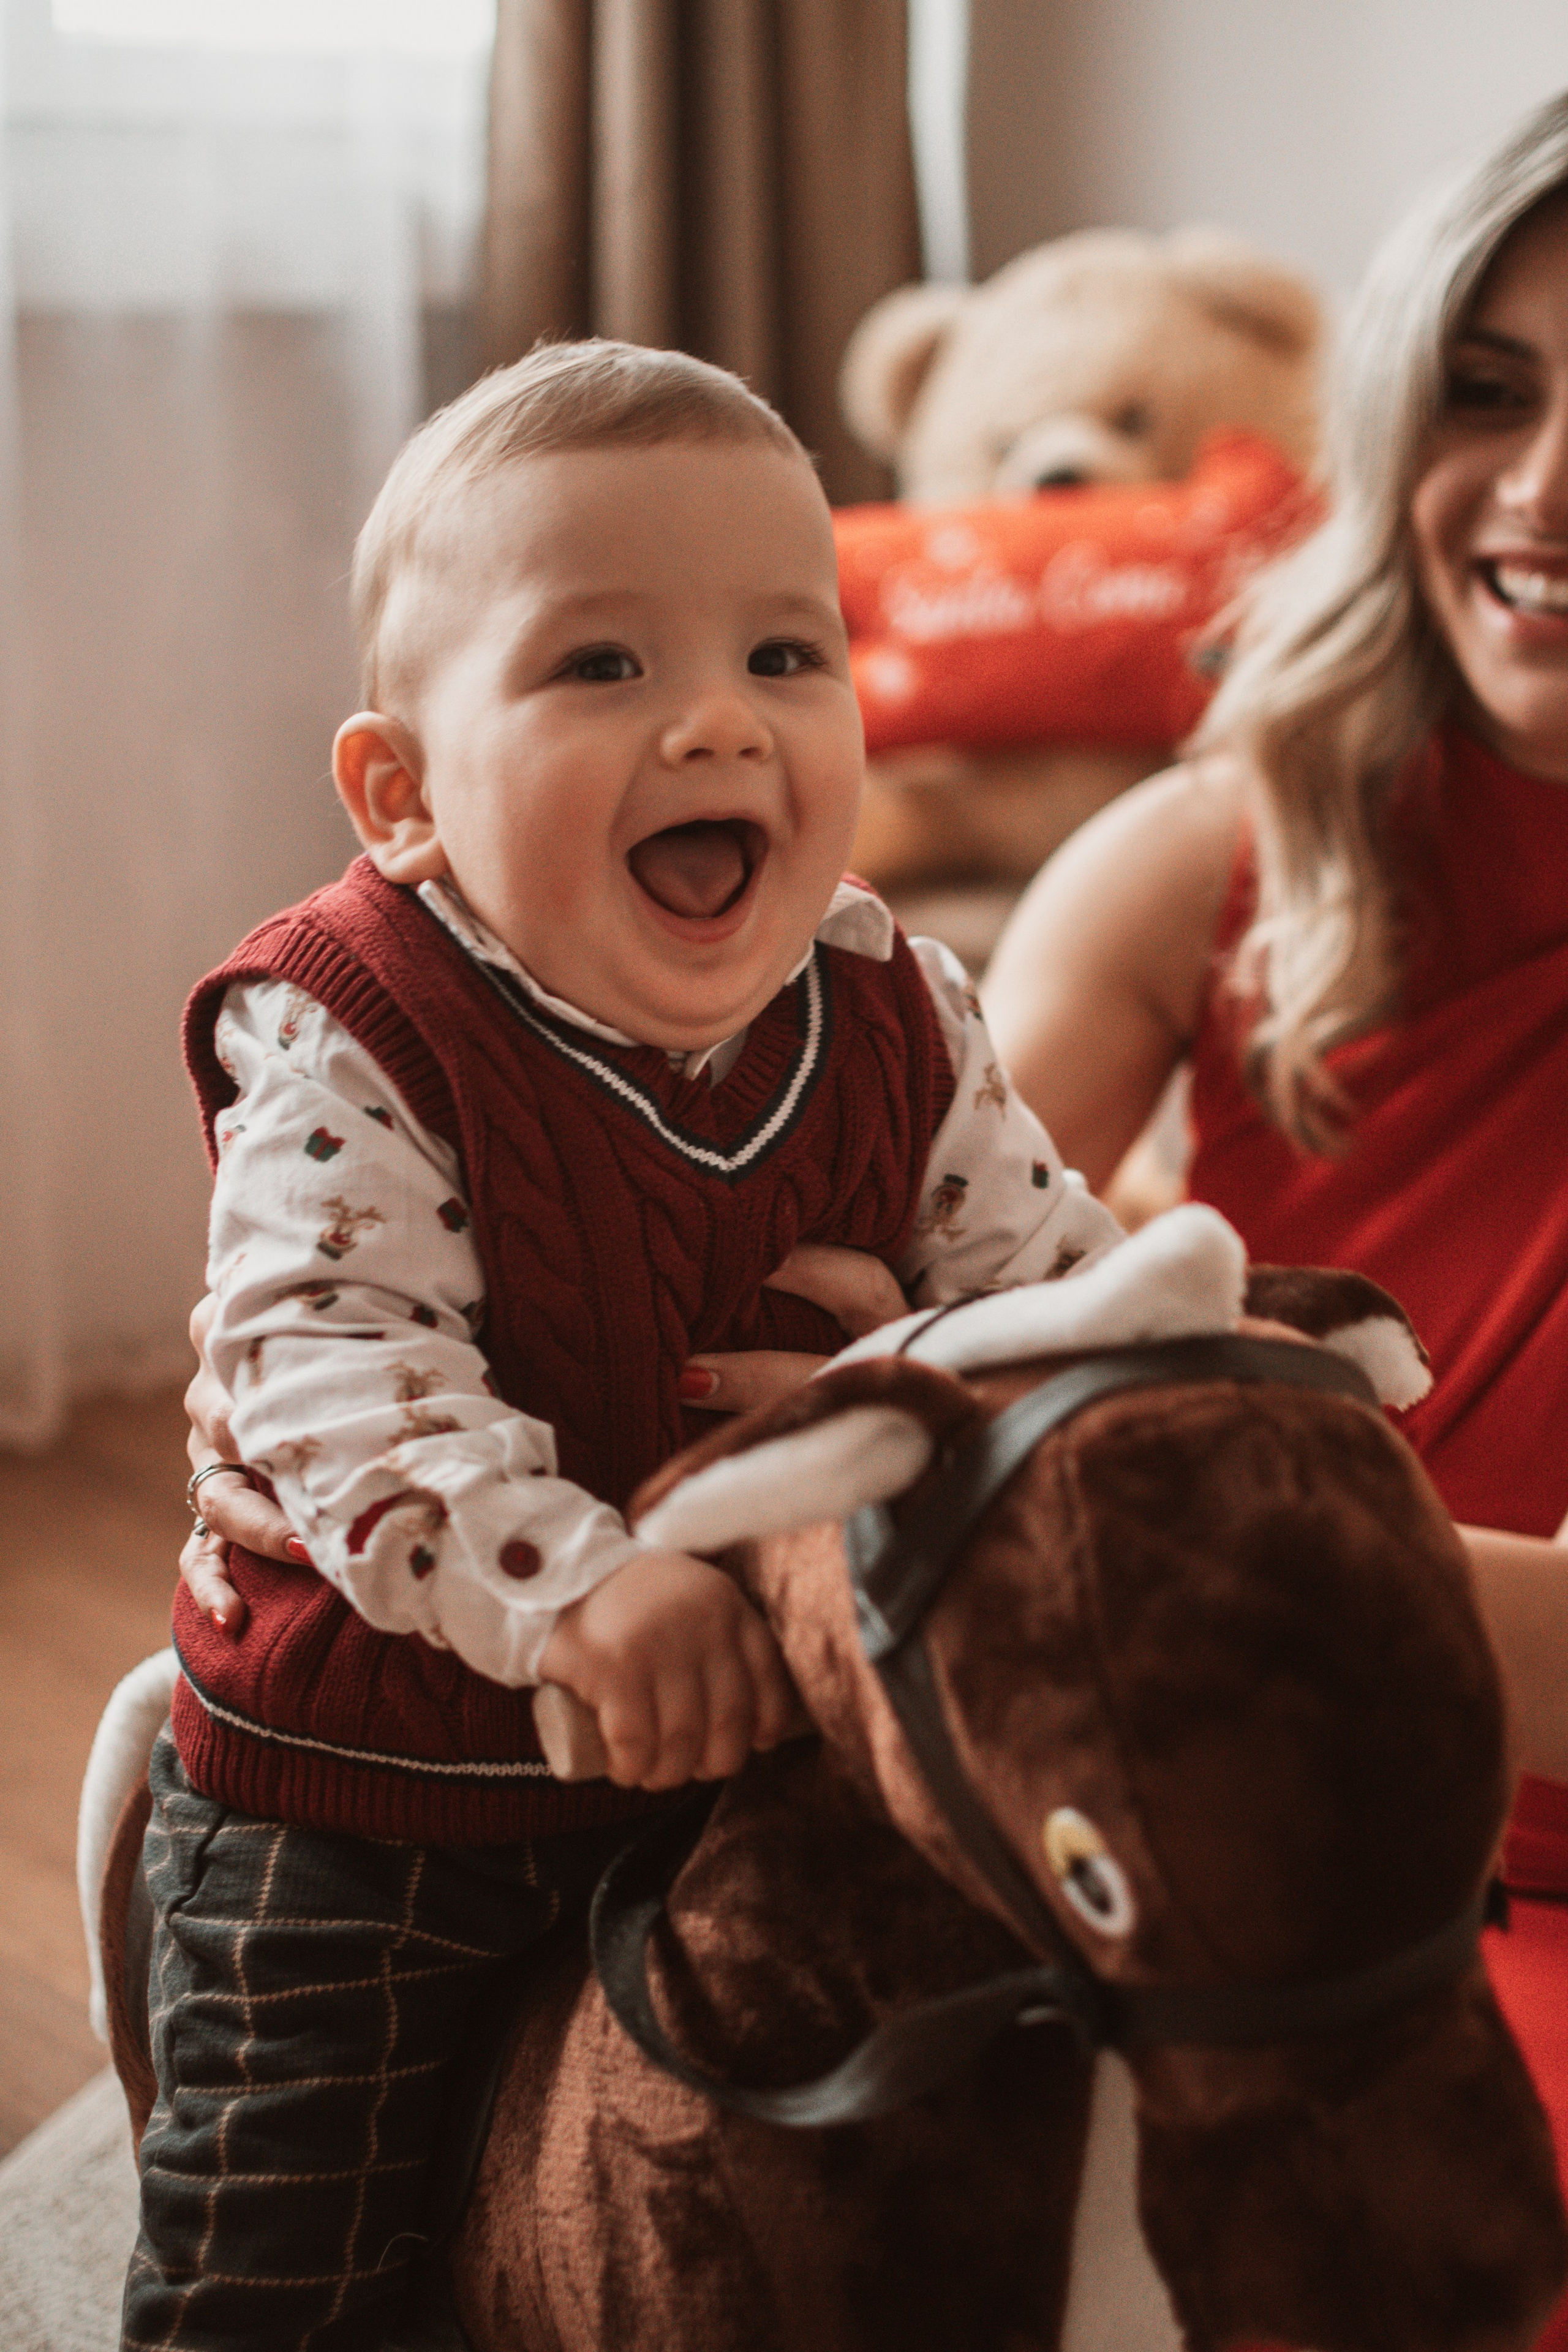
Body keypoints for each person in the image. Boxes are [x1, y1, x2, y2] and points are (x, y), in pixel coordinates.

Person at [132, 338, 1126, 2351]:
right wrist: (576, 1586)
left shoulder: (901, 1009)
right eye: (601, 668)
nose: (714, 726)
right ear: (403, 795)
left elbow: (1063, 1296)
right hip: (370, 1789)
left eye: (786, 654)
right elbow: (330, 1358)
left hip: (746, 1743)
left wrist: (927, 1361)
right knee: (289, 2251)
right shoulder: (344, 1023)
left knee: (891, 2142)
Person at [981, 89, 1568, 2344]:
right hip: (1190, 1818)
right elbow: (892, 1277)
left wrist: (1194, 1533)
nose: (1543, 490)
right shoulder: (1194, 863)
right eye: (1488, 394)